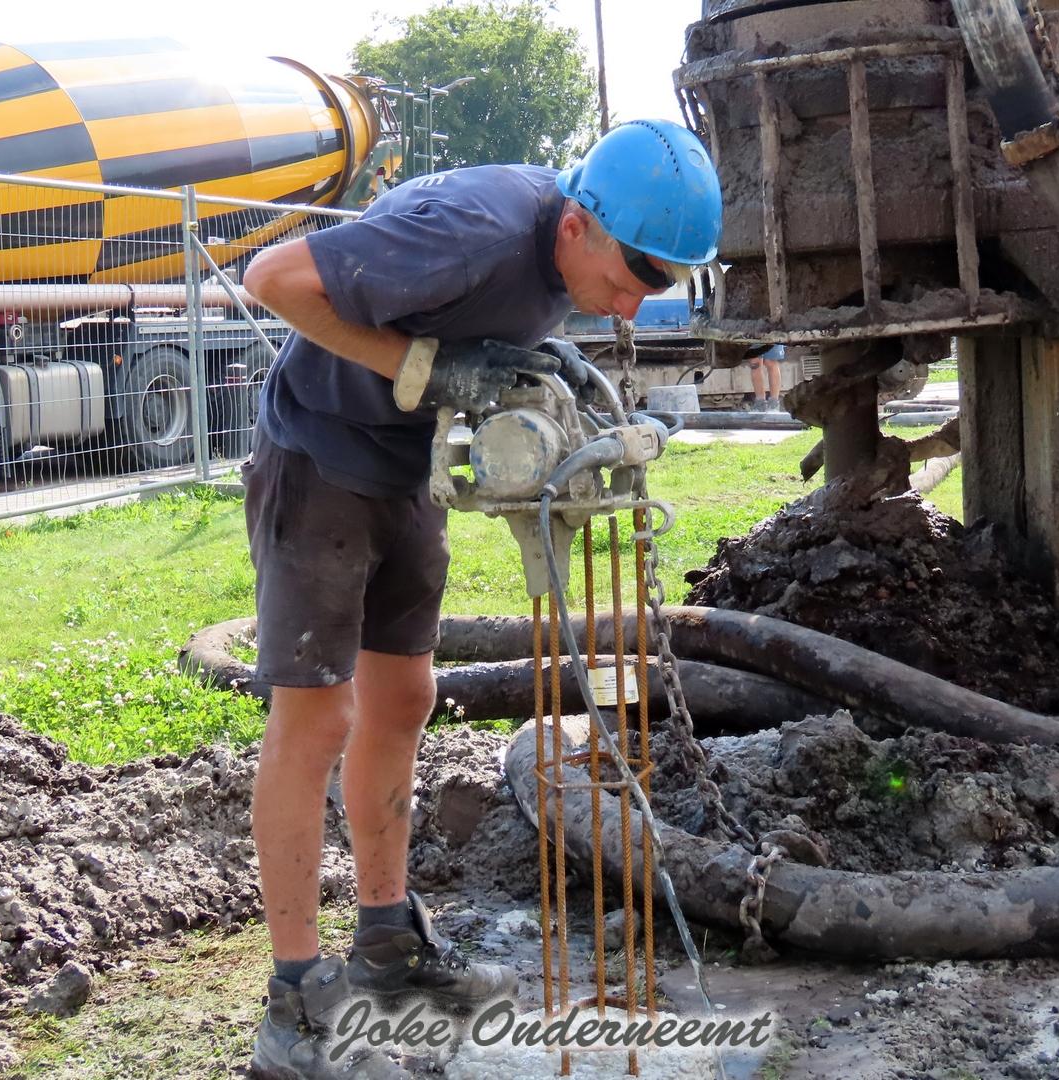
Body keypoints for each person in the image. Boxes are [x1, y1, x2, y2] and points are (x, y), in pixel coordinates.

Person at [237, 118, 723, 1080]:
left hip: (404, 470)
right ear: (577, 225)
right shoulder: (472, 230)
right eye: (633, 277)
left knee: (404, 697)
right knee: (316, 718)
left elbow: (488, 322)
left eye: (660, 284)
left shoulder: (574, 245)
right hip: (319, 461)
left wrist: (541, 359)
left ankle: (386, 946)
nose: (633, 305)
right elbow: (273, 279)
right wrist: (427, 369)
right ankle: (293, 1005)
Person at [748, 344, 783, 411]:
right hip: (753, 338)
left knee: (771, 361)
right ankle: (760, 404)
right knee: (755, 363)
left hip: (771, 338)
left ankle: (774, 404)